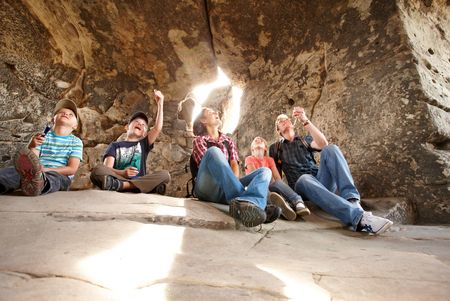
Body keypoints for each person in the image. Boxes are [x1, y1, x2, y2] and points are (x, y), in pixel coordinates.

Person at [269, 107, 393, 234]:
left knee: (331, 149)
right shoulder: (275, 148)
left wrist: (305, 120)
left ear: (292, 123)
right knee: (305, 178)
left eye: (286, 119)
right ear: (278, 130)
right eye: (280, 121)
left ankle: (353, 201)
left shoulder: (304, 140)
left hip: (321, 181)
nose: (284, 121)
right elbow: (277, 178)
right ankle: (358, 218)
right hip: (302, 186)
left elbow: (323, 144)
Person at [191, 107, 280, 227]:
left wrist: (233, 182)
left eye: (216, 111)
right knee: (213, 152)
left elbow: (234, 164)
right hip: (207, 187)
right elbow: (208, 165)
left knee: (265, 172)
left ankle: (250, 204)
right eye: (211, 112)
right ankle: (254, 204)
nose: (216, 113)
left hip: (226, 190)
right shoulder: (199, 140)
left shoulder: (228, 141)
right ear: (203, 120)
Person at [90, 90, 170, 194]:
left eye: (143, 125)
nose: (140, 124)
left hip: (129, 181)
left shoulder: (143, 144)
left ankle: (121, 186)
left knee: (165, 175)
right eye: (136, 122)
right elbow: (107, 168)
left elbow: (157, 129)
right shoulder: (115, 146)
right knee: (97, 170)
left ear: (144, 134)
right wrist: (123, 173)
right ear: (127, 127)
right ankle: (141, 187)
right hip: (118, 178)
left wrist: (160, 103)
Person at [0, 98, 83, 196]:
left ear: (75, 125)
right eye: (61, 112)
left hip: (58, 174)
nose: (65, 114)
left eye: (71, 114)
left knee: (55, 178)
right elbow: (33, 160)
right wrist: (33, 146)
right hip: (34, 172)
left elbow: (71, 169)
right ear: (53, 119)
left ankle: (38, 185)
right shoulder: (42, 137)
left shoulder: (76, 142)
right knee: (14, 171)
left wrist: (45, 171)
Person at [245, 136, 310, 221]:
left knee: (278, 183)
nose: (257, 140)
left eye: (260, 140)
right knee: (261, 185)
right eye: (255, 141)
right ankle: (281, 207)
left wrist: (279, 190)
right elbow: (254, 177)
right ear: (252, 148)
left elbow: (277, 178)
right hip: (257, 187)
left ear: (265, 147)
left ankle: (298, 202)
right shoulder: (249, 159)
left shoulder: (269, 160)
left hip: (270, 186)